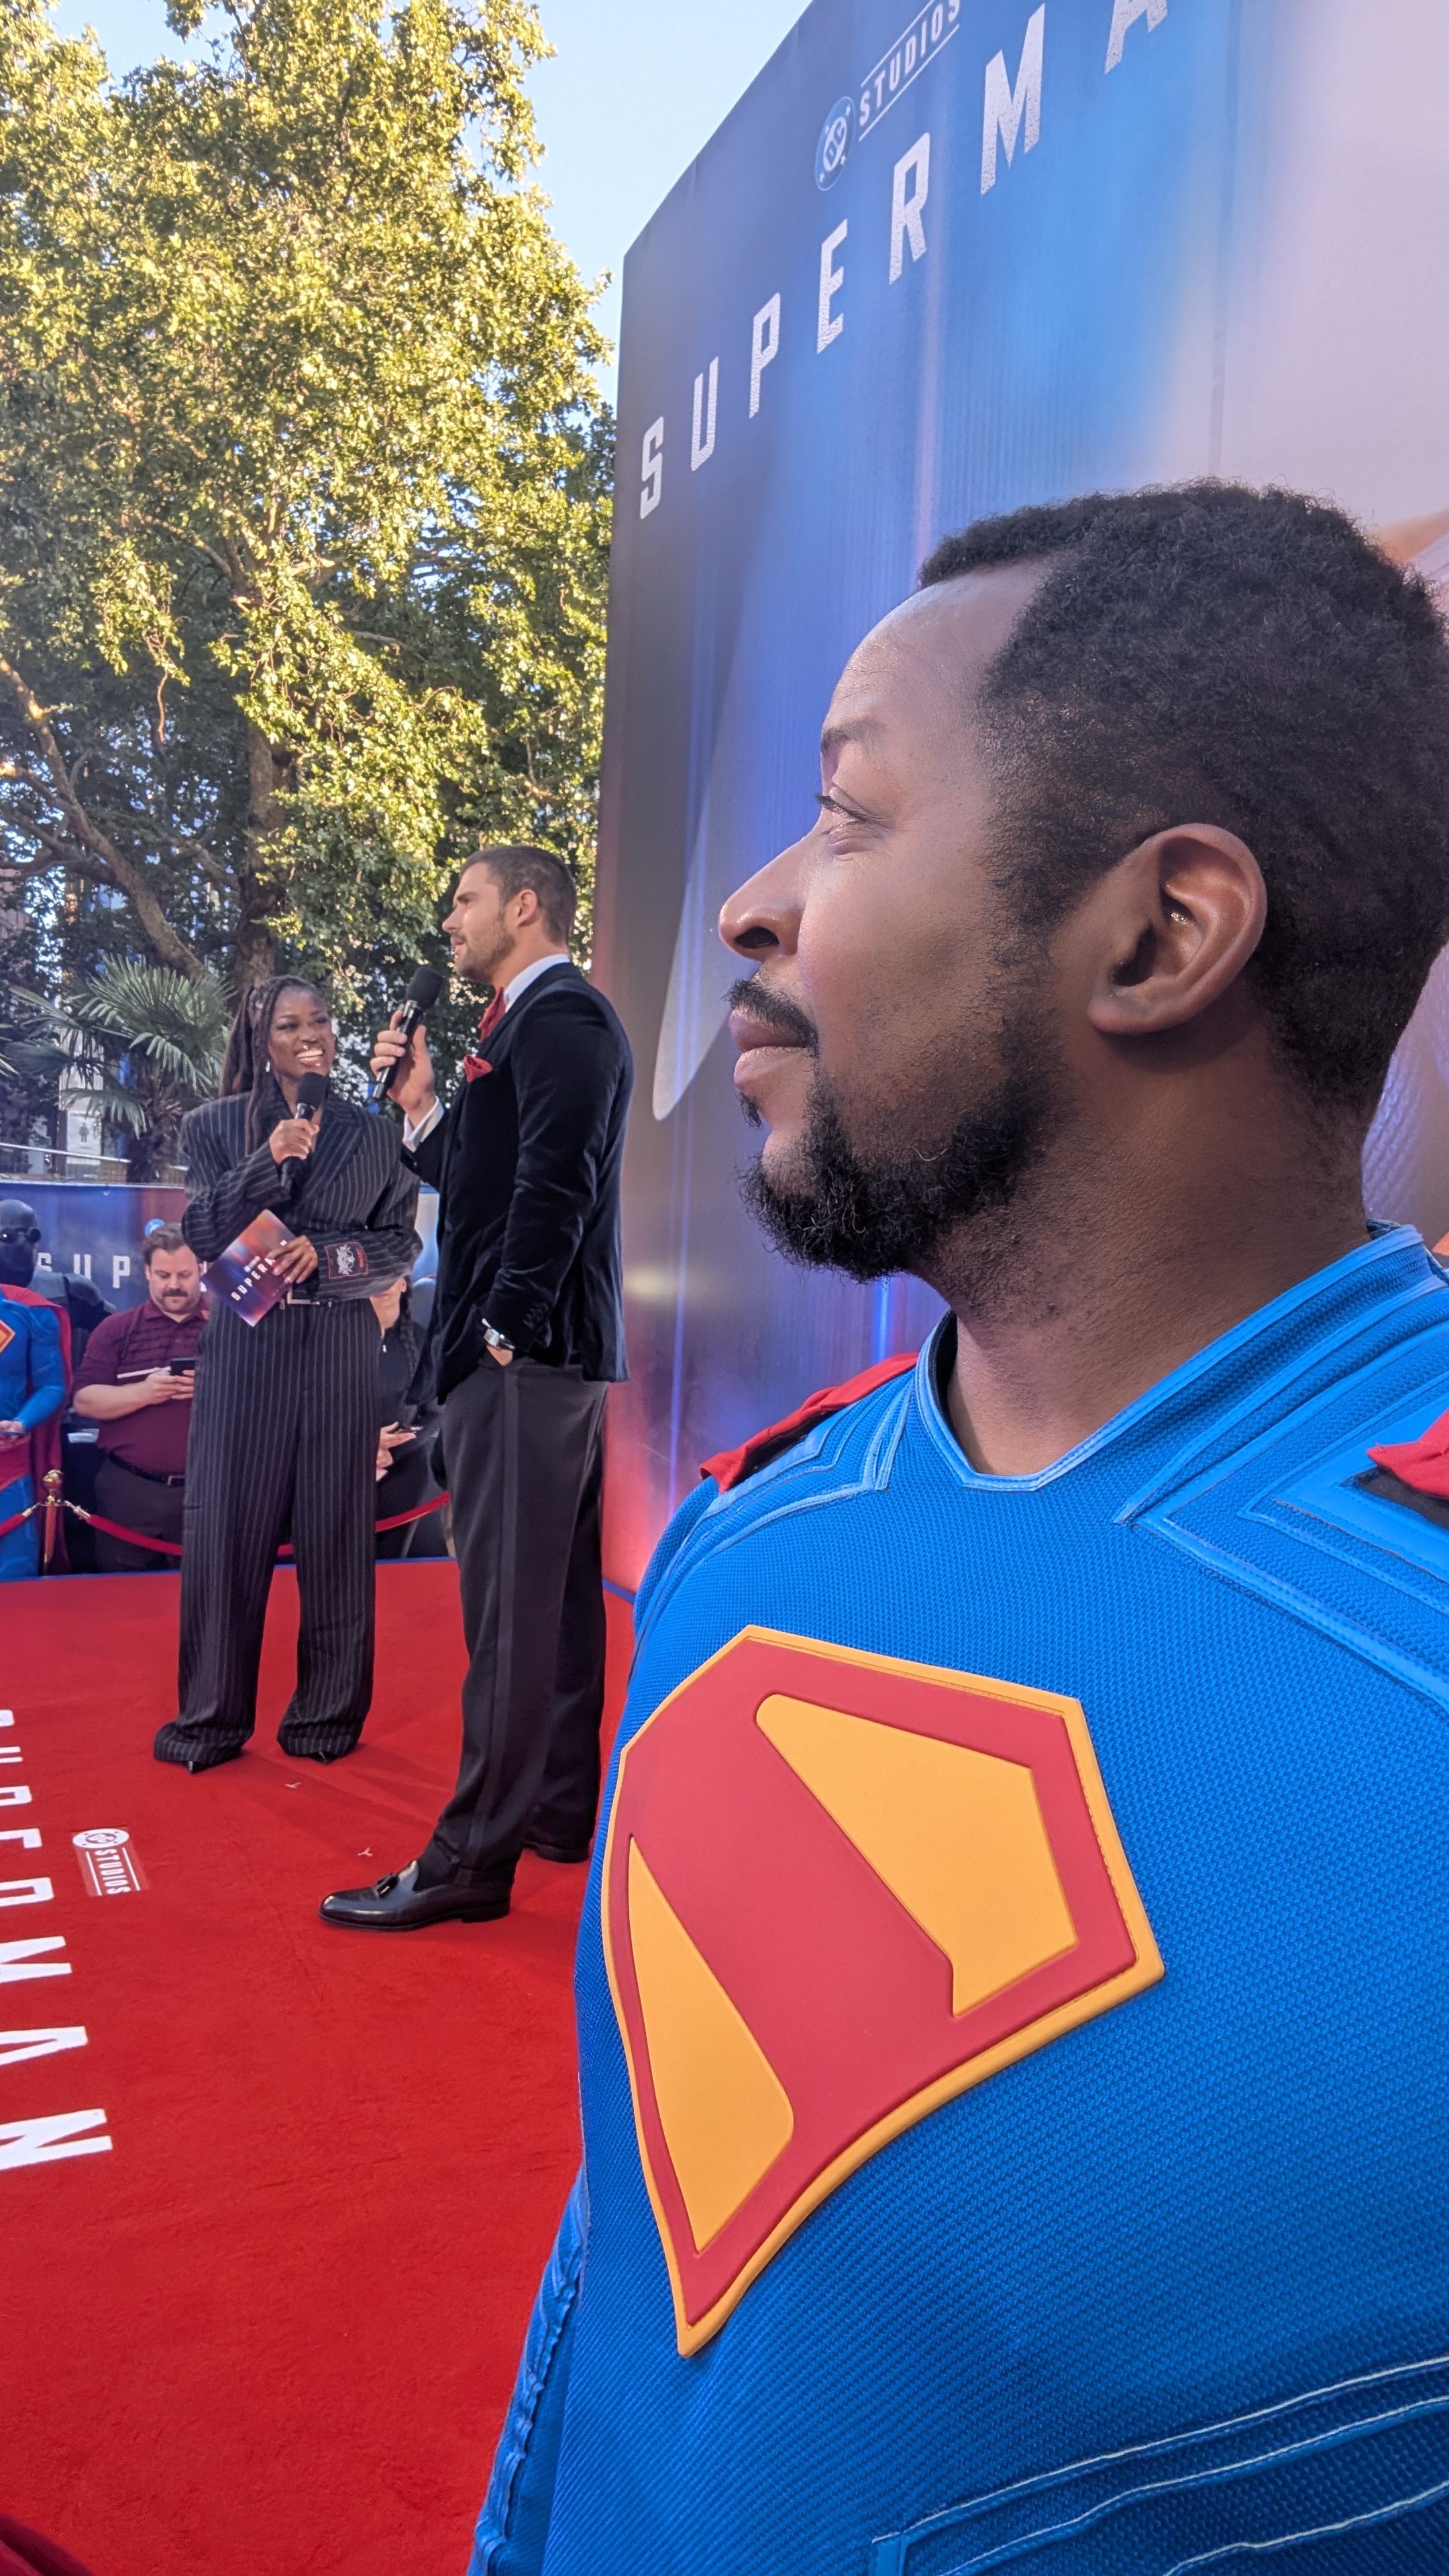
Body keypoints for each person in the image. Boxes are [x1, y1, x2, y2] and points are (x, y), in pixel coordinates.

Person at [470, 488, 1449, 2573]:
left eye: (847, 815)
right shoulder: (744, 1541)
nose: (752, 907)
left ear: (1161, 935)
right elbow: (618, 2293)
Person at [321, 844, 633, 1929]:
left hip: (528, 1364)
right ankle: (554, 1812)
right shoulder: (523, 1023)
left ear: (525, 905)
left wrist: (505, 1329)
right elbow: (488, 1179)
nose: (449, 920)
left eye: (465, 900)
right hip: (541, 1361)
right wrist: (418, 1107)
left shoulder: (563, 1020)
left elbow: (557, 1185)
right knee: (551, 1602)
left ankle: (468, 1862)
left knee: (508, 1613)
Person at [153, 975, 420, 1772]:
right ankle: (209, 1721)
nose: (311, 1037)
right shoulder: (215, 1126)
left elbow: (400, 1244)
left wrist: (331, 1257)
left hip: (340, 1345)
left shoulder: (378, 1135)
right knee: (226, 1536)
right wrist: (267, 1162)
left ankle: (325, 1720)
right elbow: (203, 1231)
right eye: (290, 1025)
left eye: (321, 1022)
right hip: (247, 1348)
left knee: (337, 1537)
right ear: (261, 1040)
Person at [70, 1225, 205, 1570]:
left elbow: (267, 1398)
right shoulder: (116, 1329)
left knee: (207, 1593)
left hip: (212, 1488)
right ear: (147, 1272)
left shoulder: (229, 1328)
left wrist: (215, 1388)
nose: (174, 1285)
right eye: (163, 1275)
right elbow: (84, 1401)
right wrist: (143, 1393)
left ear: (202, 1269)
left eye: (184, 1275)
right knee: (122, 1593)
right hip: (129, 1490)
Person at [370, 1273, 448, 1558]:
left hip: (402, 1464)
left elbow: (436, 1412)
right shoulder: (336, 1343)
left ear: (403, 1283)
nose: (383, 1284)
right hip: (340, 1464)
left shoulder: (422, 1340)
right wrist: (364, 1443)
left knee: (392, 1561)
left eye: (391, 1276)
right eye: (376, 1277)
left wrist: (392, 1452)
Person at [0, 1269, 64, 1579]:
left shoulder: (30, 1311)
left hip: (9, 1470)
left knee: (16, 1586)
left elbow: (52, 1385)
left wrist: (22, 1422)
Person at [0, 1197, 111, 1372]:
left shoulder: (71, 1292)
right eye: (6, 1237)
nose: (21, 1245)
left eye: (30, 1236)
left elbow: (120, 1336)